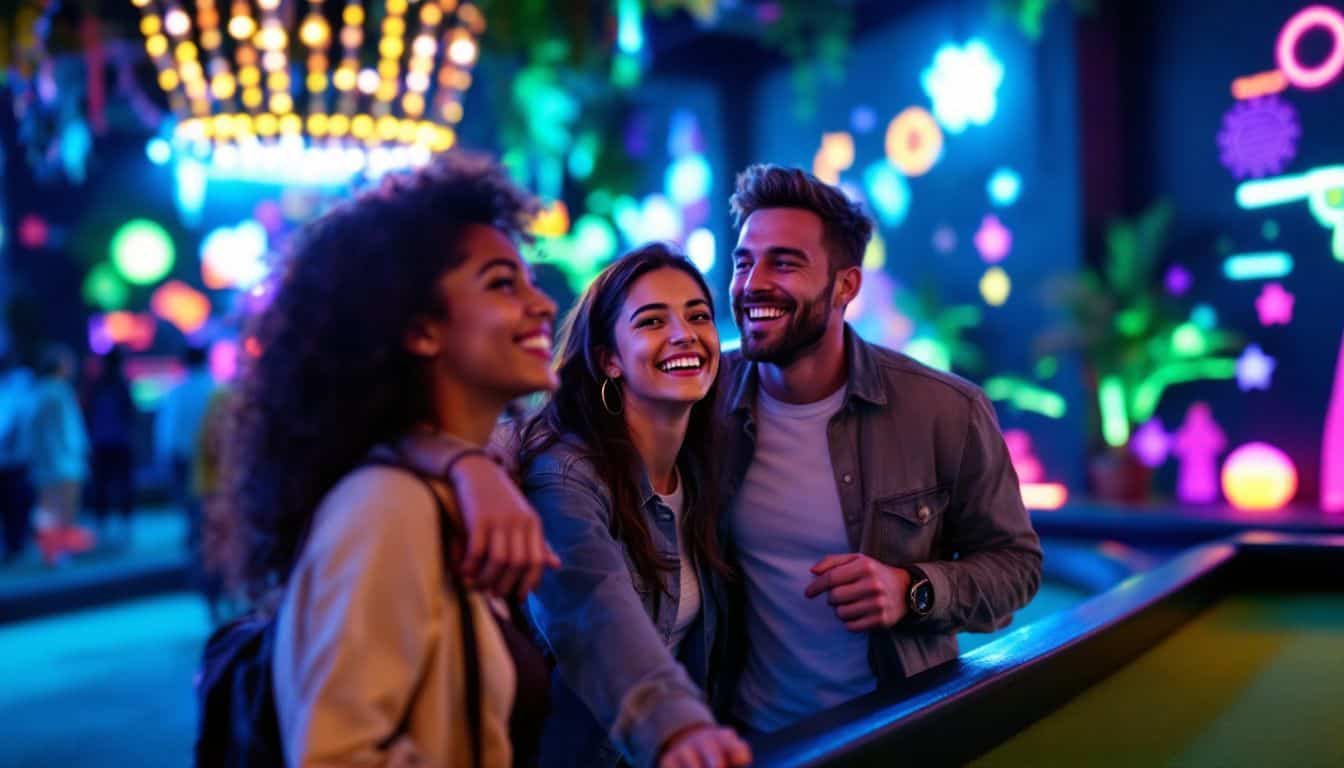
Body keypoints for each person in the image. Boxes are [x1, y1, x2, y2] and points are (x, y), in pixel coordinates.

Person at [229, 153, 561, 766]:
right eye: (501, 284)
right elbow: (337, 754)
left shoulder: (441, 488)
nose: (541, 305)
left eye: (529, 280)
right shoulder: (390, 507)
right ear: (420, 329)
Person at [718, 165, 1043, 733]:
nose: (753, 283)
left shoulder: (945, 409)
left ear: (846, 285)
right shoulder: (705, 400)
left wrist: (911, 589)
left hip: (894, 734)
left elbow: (1017, 568)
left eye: (784, 263)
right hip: (752, 739)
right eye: (744, 262)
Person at [517, 244, 752, 768]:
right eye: (652, 321)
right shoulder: (566, 473)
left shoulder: (706, 465)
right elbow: (592, 612)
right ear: (609, 360)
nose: (683, 334)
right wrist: (678, 729)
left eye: (698, 316)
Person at [27, 343, 92, 565]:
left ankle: (52, 551)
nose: (72, 367)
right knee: (61, 510)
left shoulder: (42, 392)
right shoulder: (56, 393)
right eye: (68, 363)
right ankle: (57, 551)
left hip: (52, 462)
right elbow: (65, 431)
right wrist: (72, 456)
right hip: (62, 463)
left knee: (50, 510)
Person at [155, 344, 216, 550]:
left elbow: (168, 427)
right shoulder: (215, 389)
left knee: (189, 500)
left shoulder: (177, 391)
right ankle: (205, 538)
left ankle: (195, 536)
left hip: (182, 454)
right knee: (208, 498)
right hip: (210, 455)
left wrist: (164, 454)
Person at [84, 346, 137, 544]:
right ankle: (123, 528)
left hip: (101, 444)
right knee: (122, 485)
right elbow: (130, 414)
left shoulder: (95, 385)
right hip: (119, 443)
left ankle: (103, 528)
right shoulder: (122, 385)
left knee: (102, 486)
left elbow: (87, 414)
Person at [0, 349, 35, 563]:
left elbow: (12, 426)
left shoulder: (18, 387)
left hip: (16, 460)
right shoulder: (17, 389)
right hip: (12, 461)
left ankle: (17, 545)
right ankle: (14, 544)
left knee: (15, 505)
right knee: (11, 505)